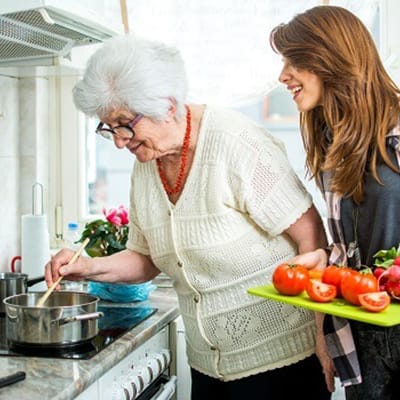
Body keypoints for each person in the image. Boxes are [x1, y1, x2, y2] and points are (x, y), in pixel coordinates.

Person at [45, 34, 331, 400]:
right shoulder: (146, 163)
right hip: (207, 367)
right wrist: (87, 266)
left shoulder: (236, 143)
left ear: (166, 105)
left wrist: (324, 338)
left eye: (123, 123)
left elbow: (312, 239)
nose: (118, 140)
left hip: (281, 363)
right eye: (108, 127)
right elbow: (146, 259)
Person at [270, 5, 400, 400]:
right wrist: (325, 262)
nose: (282, 76)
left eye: (294, 61)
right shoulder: (334, 141)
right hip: (362, 335)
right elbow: (356, 249)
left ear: (331, 58)